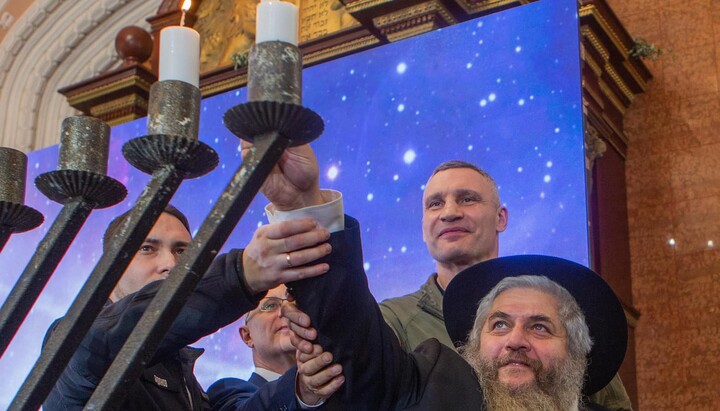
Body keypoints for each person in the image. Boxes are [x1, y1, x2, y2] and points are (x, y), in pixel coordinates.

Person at [378, 161, 632, 410]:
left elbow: (611, 402)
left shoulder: (560, 305)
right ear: (423, 228)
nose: (449, 212)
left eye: (467, 199)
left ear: (501, 218)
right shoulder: (393, 320)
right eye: (435, 204)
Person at [43, 204, 335, 411]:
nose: (170, 264)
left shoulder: (185, 381)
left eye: (182, 251)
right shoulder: (75, 340)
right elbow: (107, 338)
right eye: (147, 248)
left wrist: (301, 392)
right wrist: (240, 274)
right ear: (109, 270)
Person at [207, 284, 345, 410]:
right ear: (247, 336)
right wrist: (300, 388)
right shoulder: (226, 392)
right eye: (270, 305)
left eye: (294, 304)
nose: (285, 312)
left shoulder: (341, 389)